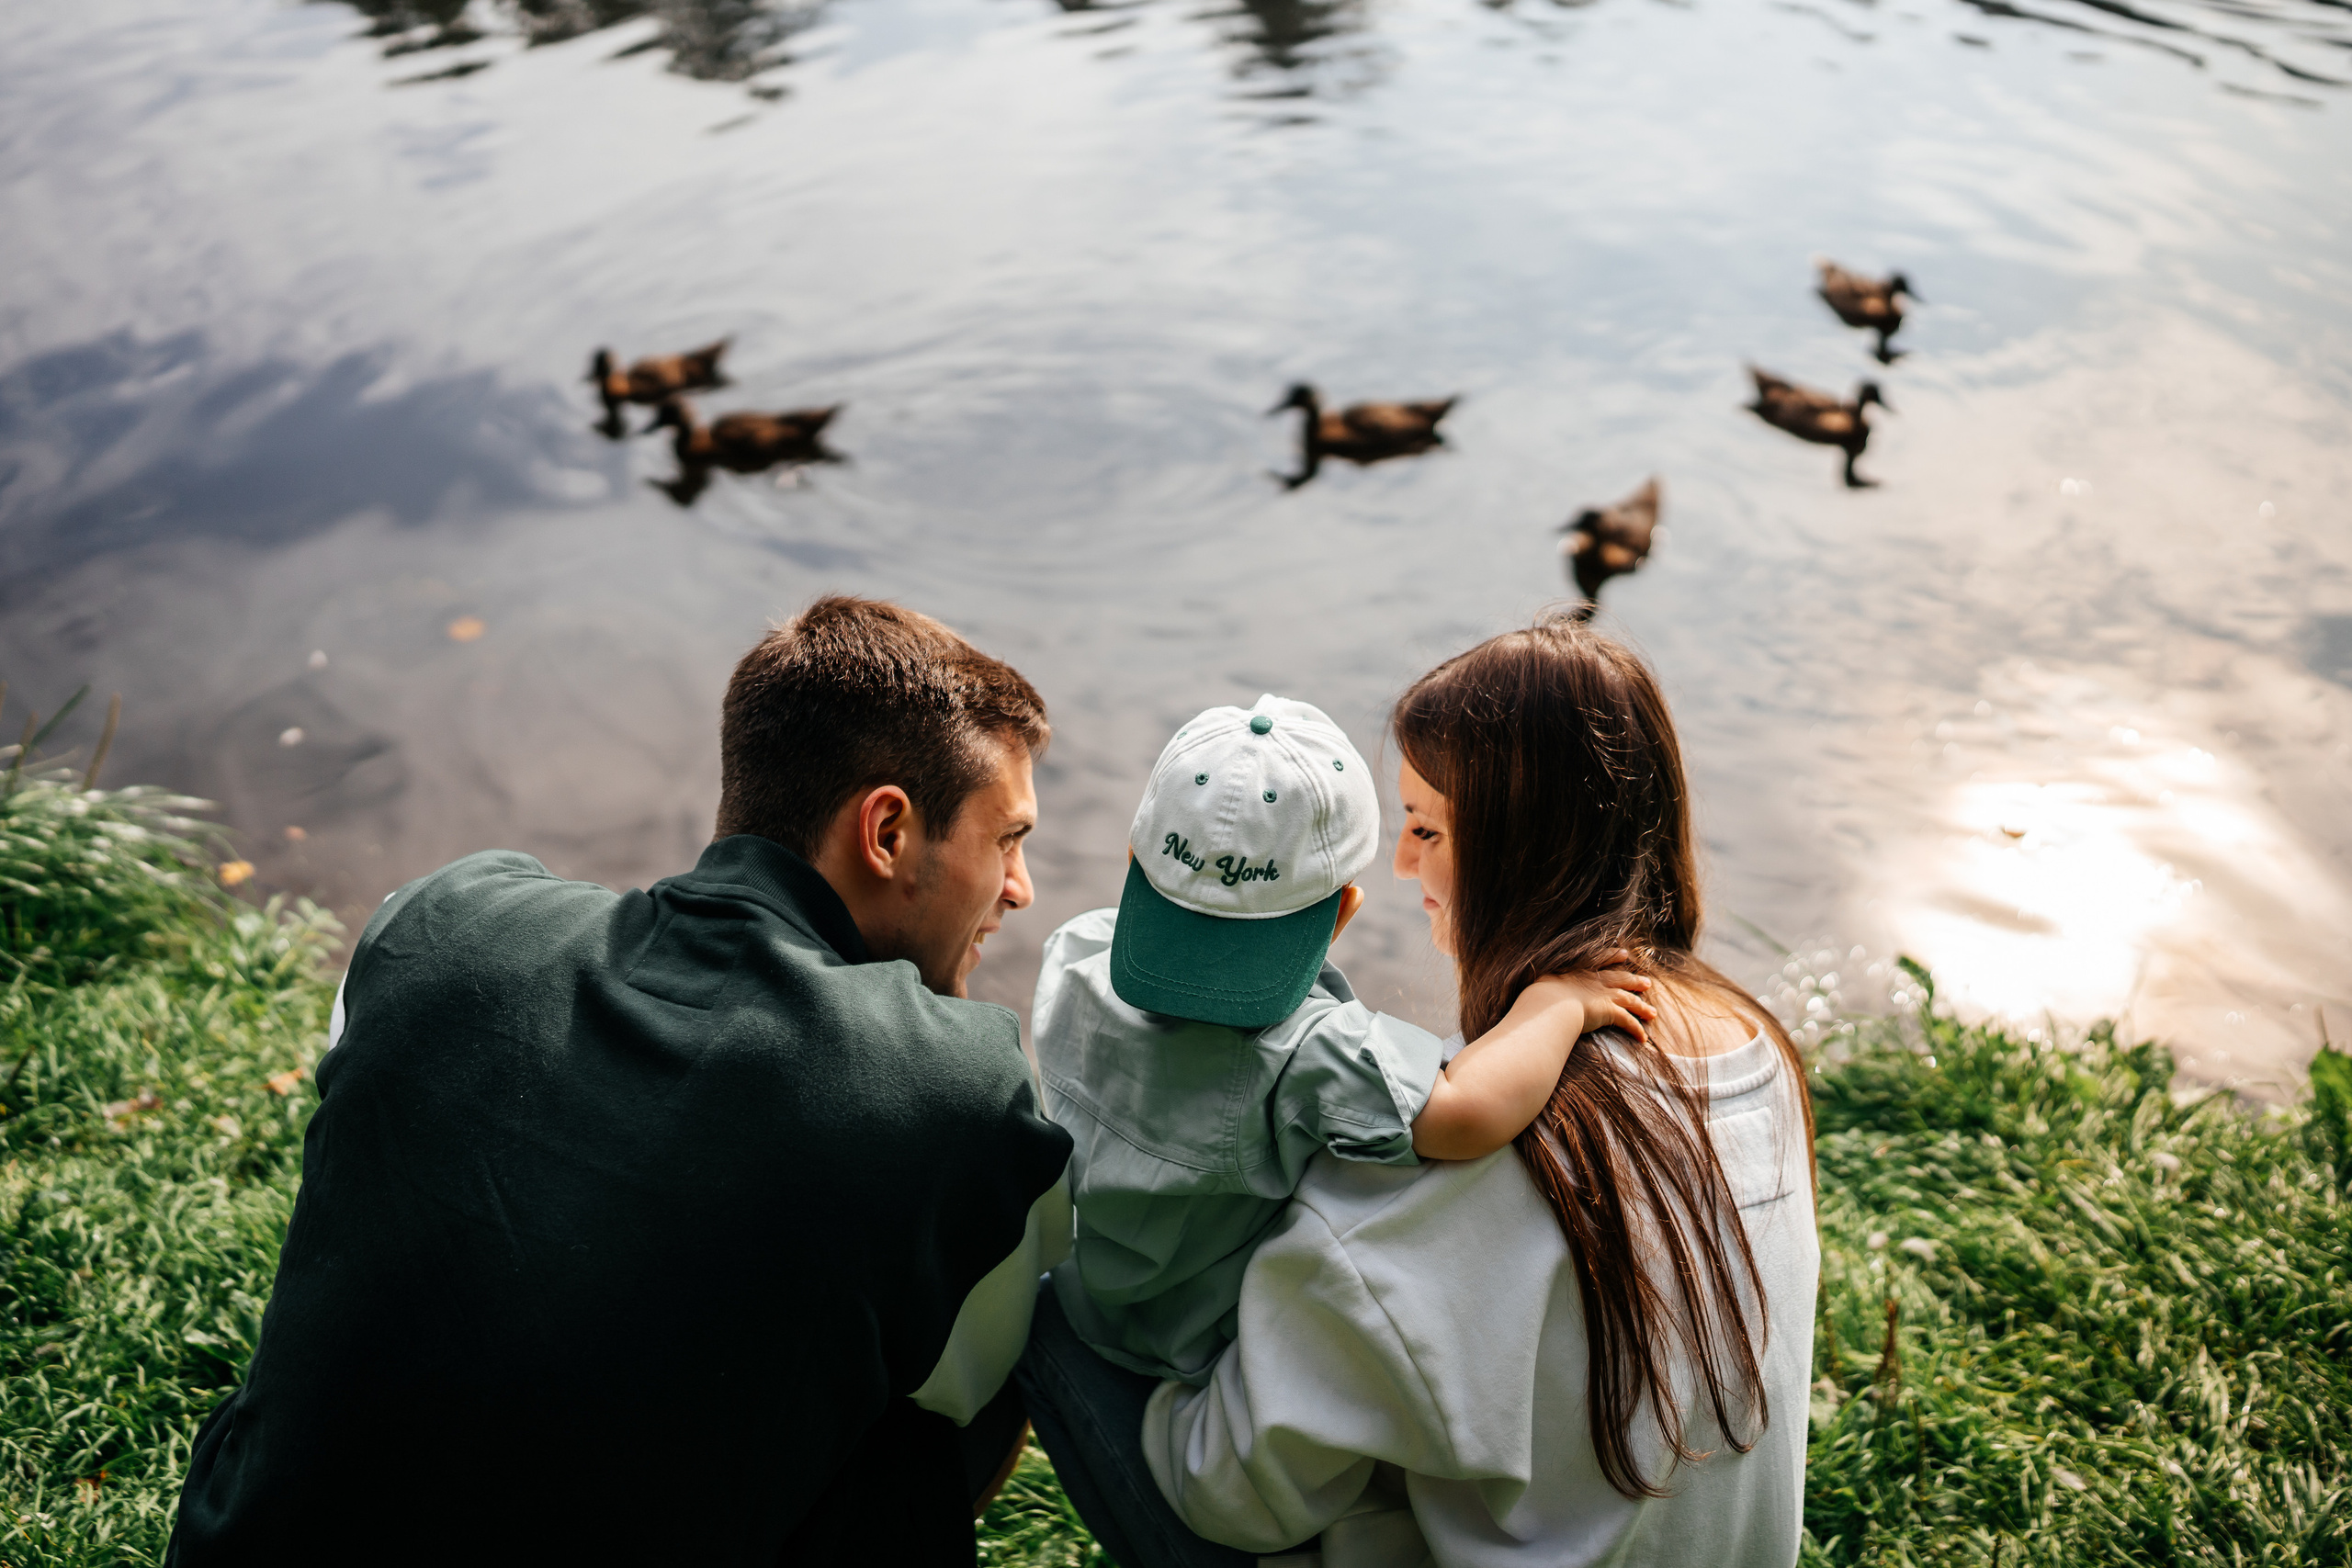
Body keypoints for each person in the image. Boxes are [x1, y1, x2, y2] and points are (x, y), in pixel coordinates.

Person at [167, 596, 1076, 1568]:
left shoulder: (435, 923)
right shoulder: (953, 1094)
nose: (1018, 888)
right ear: (887, 831)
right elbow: (959, 1387)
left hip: (246, 1547)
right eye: (1006, 838)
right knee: (942, 1423)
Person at [1019, 617, 1820, 1568]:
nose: (1402, 864)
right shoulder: (1755, 1055)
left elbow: (1233, 1496)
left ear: (1524, 850)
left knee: (1037, 1305)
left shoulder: (1442, 1176)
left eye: (1428, 828)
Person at [1030, 694, 1657, 1387]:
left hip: (1087, 1296)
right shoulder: (1306, 1050)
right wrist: (1559, 1001)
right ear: (1343, 911)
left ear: (1136, 852)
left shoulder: (1077, 953)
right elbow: (1466, 1110)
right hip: (1185, 1347)